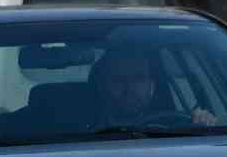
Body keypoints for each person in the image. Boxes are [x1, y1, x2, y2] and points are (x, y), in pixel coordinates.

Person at [88, 44, 217, 128]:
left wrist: (204, 123)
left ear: (152, 85)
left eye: (139, 78)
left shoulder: (176, 127)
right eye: (118, 79)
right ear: (102, 85)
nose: (130, 88)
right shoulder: (81, 129)